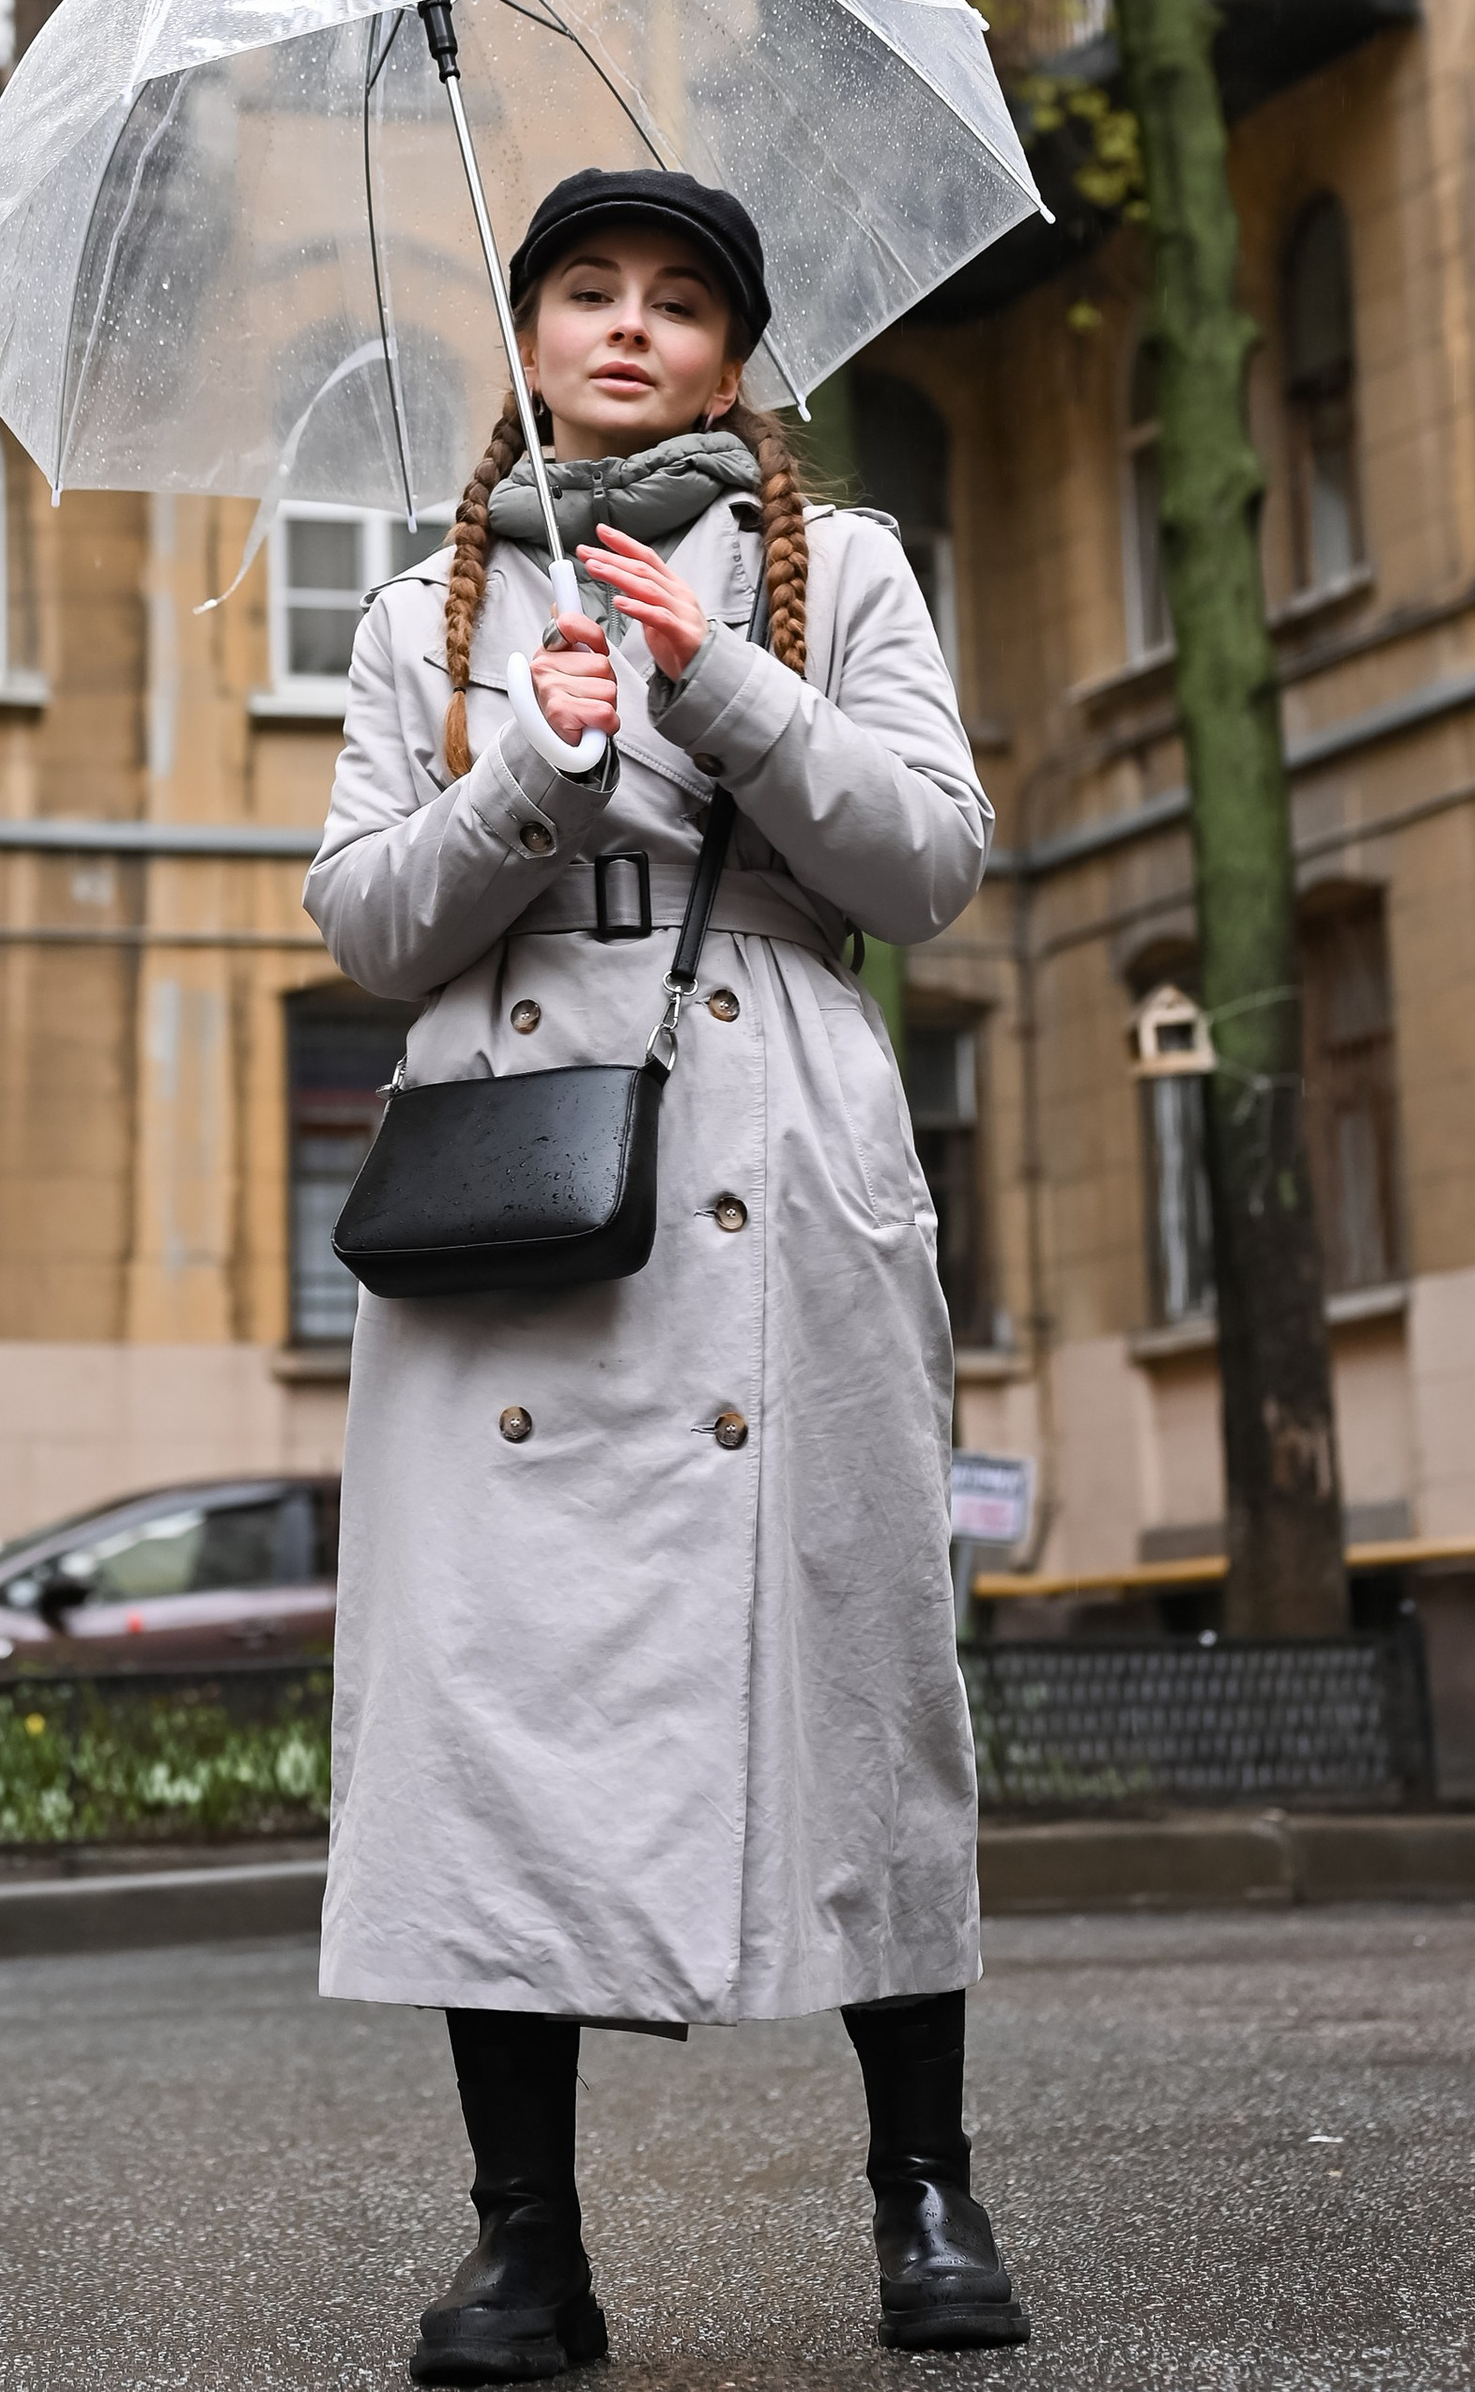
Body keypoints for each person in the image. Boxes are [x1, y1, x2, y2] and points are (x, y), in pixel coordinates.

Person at [305, 163, 1028, 2380]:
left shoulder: (847, 568)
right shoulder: (417, 611)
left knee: (860, 1664)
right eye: (587, 291)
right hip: (515, 1180)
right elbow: (360, 925)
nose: (628, 326)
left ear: (730, 361)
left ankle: (924, 2188)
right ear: (526, 337)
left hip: (769, 1151)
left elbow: (929, 867)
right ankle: (524, 2245)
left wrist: (723, 688)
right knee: (488, 1701)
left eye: (680, 300)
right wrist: (527, 771)